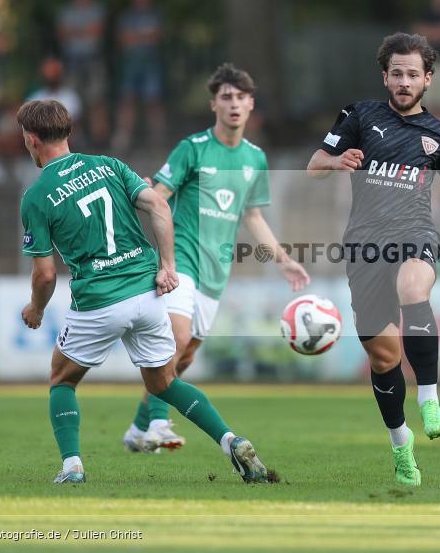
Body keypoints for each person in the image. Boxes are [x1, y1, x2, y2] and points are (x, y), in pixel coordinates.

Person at [16, 99, 273, 484]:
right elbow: (157, 205)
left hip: (99, 301)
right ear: (67, 132)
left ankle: (72, 467)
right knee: (164, 382)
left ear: (32, 139)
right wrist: (168, 266)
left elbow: (46, 276)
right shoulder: (109, 165)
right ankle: (231, 441)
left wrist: (36, 309)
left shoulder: (36, 197)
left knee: (62, 379)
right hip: (147, 294)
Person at [306, 33, 440, 486]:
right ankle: (402, 445)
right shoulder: (359, 116)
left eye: (413, 75)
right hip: (364, 247)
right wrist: (338, 160)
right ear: (385, 76)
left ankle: (430, 399)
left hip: (415, 235)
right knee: (384, 357)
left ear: (428, 80)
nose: (404, 82)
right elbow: (314, 164)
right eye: (397, 73)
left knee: (414, 288)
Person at [121, 63, 309, 453]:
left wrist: (283, 259)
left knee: (182, 358)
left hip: (215, 270)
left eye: (241, 97)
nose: (234, 104)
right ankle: (158, 424)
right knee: (176, 338)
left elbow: (252, 215)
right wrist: (144, 205)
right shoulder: (193, 149)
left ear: (251, 104)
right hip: (182, 260)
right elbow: (158, 198)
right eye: (226, 97)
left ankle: (138, 430)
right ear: (214, 105)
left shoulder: (254, 159)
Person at [112, 0, 166, 152]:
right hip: (131, 63)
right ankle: (123, 138)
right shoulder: (127, 17)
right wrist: (145, 36)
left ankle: (158, 139)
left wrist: (135, 37)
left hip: (151, 63)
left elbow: (157, 36)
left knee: (153, 101)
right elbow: (123, 40)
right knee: (127, 100)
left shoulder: (155, 15)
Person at [57, 0, 109, 144]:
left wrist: (75, 31)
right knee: (70, 101)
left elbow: (97, 31)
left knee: (96, 99)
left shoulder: (97, 9)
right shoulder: (66, 11)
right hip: (72, 60)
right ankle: (73, 139)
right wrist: (85, 31)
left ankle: (99, 139)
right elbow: (63, 34)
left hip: (93, 59)